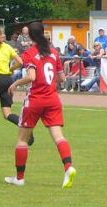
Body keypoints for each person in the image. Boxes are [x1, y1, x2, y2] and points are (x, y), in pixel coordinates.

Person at [4, 22, 76, 188]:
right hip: (53, 99)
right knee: (59, 136)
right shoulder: (54, 52)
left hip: (36, 99)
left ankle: (19, 178)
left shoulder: (30, 53)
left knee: (22, 140)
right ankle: (68, 167)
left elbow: (31, 77)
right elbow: (61, 78)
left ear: (29, 35)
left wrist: (15, 84)